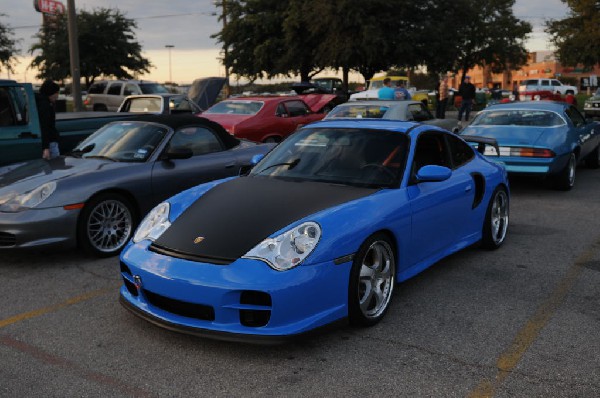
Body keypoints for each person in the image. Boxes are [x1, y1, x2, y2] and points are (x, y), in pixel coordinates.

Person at [36, 79, 61, 160]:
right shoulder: (45, 106)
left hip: (48, 142)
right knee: (55, 164)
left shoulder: (40, 102)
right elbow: (45, 126)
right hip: (50, 142)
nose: (57, 95)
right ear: (51, 93)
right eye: (56, 93)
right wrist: (46, 147)